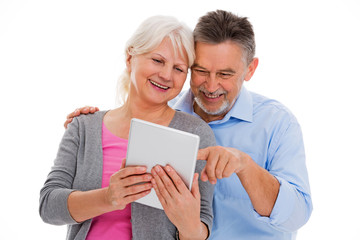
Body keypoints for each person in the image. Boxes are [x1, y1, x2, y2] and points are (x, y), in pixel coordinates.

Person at [65, 10, 313, 240]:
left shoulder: (277, 122)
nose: (211, 85)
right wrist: (89, 126)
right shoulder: (164, 113)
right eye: (201, 70)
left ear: (250, 69)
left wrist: (245, 166)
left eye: (225, 74)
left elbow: (297, 215)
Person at [39, 15, 216, 240]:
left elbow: (202, 228)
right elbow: (48, 207)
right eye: (158, 60)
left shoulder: (196, 133)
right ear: (130, 57)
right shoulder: (84, 126)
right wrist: (109, 198)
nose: (166, 75)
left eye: (179, 69)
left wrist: (188, 223)